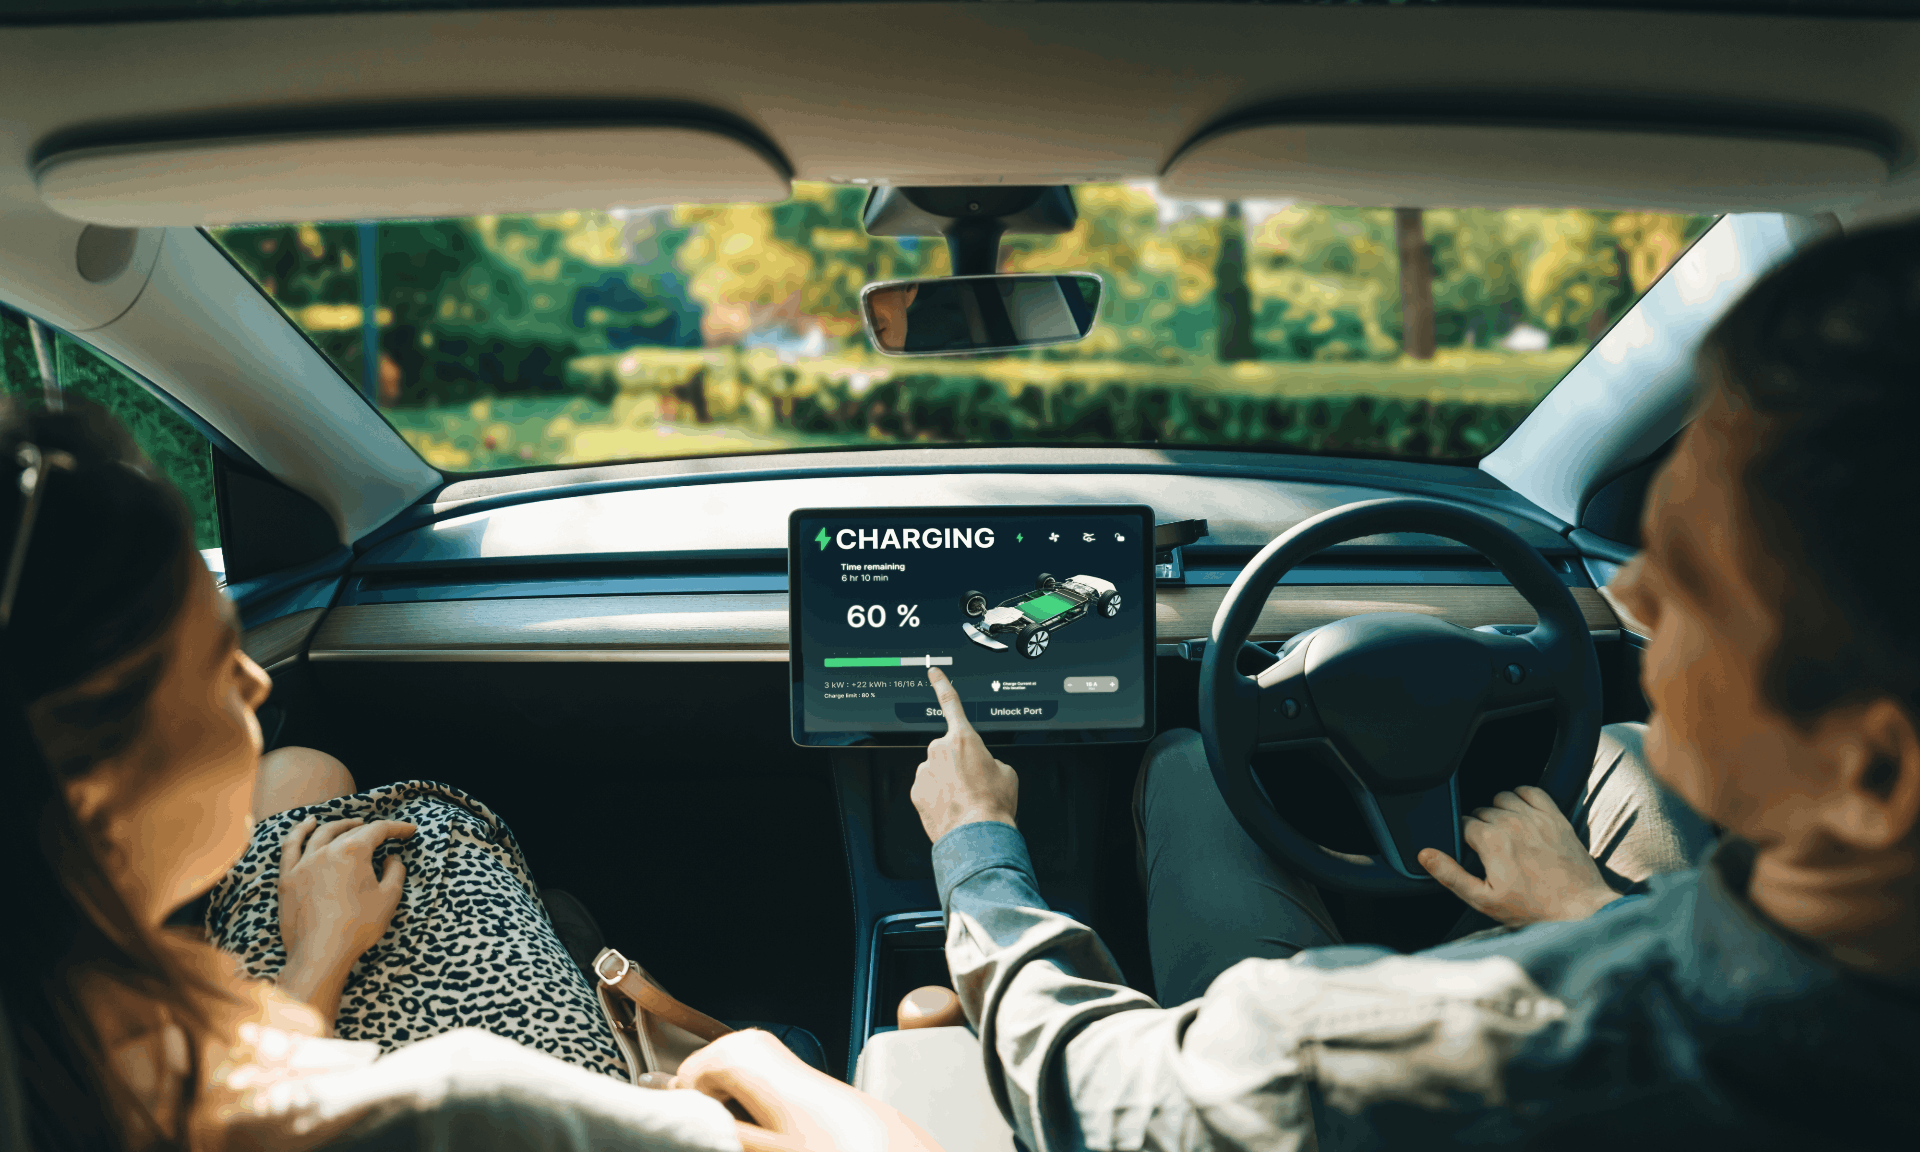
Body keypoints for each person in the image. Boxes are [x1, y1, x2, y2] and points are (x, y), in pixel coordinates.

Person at [905, 220, 1920, 1149]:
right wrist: (1584, 906)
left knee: (1189, 770)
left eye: (1694, 577)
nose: (1632, 590)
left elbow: (1087, 1087)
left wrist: (976, 845)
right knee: (1620, 748)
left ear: (1873, 771)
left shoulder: (1363, 1053)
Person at [0, 398, 918, 1152]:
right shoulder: (451, 1111)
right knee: (880, 1028)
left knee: (301, 774)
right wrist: (764, 1063)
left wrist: (318, 956)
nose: (254, 680)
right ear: (88, 789)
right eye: (213, 661)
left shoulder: (70, 1070)